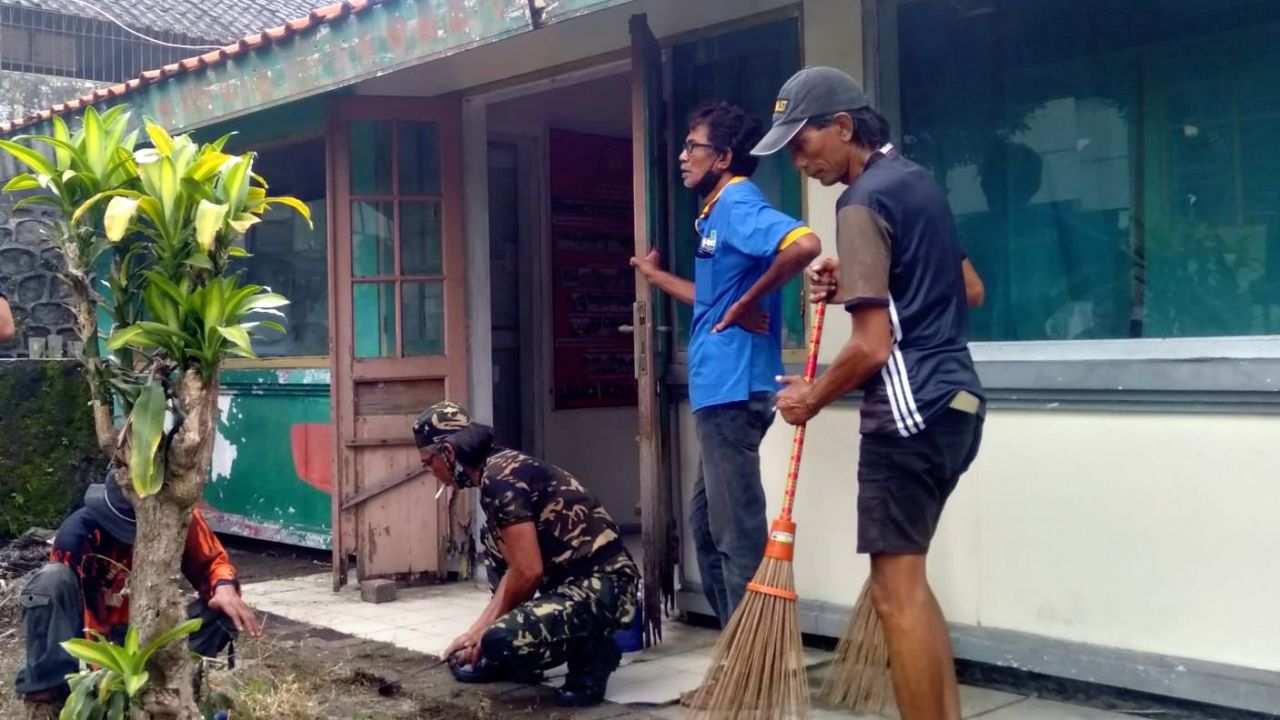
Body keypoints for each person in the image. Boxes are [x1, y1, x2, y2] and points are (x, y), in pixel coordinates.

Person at [751, 66, 985, 720]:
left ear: (844, 127)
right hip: (957, 404)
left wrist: (808, 397)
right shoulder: (916, 183)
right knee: (907, 585)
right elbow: (967, 287)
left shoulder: (860, 202)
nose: (800, 161)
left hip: (909, 414)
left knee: (893, 597)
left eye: (804, 144)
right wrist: (856, 272)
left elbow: (872, 347)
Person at [629, 102, 821, 640]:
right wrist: (654, 276)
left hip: (735, 392)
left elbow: (804, 244)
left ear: (724, 157)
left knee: (734, 532)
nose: (683, 155)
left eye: (695, 146)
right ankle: (738, 646)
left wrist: (749, 302)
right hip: (719, 391)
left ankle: (759, 658)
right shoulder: (716, 213)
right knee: (706, 528)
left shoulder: (737, 202)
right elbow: (711, 301)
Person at [414, 401, 639, 708]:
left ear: (449, 454)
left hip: (603, 586)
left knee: (499, 640)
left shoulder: (500, 479)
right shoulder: (496, 469)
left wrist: (480, 632)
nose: (432, 472)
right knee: (493, 540)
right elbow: (517, 568)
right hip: (568, 580)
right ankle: (510, 650)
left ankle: (593, 653)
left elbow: (528, 571)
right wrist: (479, 630)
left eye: (429, 463)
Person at [15, 469, 260, 717]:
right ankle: (47, 699)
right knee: (50, 582)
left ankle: (178, 684)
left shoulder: (177, 516)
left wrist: (224, 587)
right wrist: (111, 684)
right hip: (95, 640)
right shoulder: (78, 537)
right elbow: (90, 621)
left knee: (222, 607)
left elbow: (212, 562)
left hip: (154, 632)